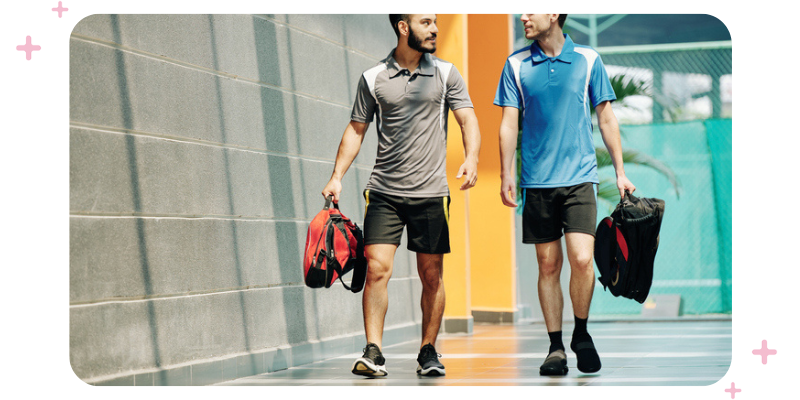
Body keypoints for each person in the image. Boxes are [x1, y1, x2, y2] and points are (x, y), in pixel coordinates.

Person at [322, 14, 481, 377]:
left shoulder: (446, 73)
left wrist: (472, 157)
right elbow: (356, 129)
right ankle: (373, 351)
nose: (435, 28)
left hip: (431, 193)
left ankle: (428, 350)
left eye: (435, 21)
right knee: (376, 268)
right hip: (384, 192)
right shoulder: (373, 77)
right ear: (403, 27)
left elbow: (468, 119)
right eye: (426, 22)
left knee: (431, 274)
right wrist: (336, 177)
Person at [494, 14, 635, 375]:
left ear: (555, 14)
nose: (523, 16)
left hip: (580, 179)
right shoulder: (516, 64)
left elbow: (606, 117)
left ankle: (581, 333)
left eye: (532, 10)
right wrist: (506, 173)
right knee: (548, 265)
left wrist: (620, 172)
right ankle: (555, 346)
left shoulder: (588, 59)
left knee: (583, 259)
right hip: (537, 181)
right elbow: (509, 121)